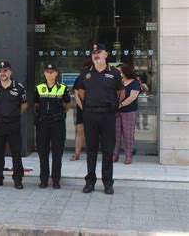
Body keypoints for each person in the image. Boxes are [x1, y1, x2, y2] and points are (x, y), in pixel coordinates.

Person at [77, 43, 124, 195]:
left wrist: (110, 105)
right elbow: (81, 93)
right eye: (93, 53)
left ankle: (108, 183)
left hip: (108, 115)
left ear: (106, 54)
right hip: (90, 115)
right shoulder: (85, 72)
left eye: (99, 52)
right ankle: (90, 182)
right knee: (91, 150)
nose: (96, 55)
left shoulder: (114, 73)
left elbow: (120, 93)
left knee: (107, 150)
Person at [0, 61, 28, 189]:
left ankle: (18, 179)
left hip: (13, 124)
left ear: (10, 72)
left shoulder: (19, 87)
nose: (3, 73)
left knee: (16, 153)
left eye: (5, 70)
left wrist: (14, 114)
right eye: (0, 71)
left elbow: (24, 104)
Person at [34, 64, 71, 189]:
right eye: (47, 71)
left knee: (57, 152)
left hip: (57, 123)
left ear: (56, 73)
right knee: (43, 152)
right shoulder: (39, 88)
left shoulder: (63, 88)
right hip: (43, 123)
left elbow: (67, 105)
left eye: (52, 72)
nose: (50, 74)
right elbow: (36, 105)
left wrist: (59, 114)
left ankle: (56, 180)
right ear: (44, 73)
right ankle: (44, 180)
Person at [113, 64, 141, 165]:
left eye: (119, 71)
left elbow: (132, 97)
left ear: (125, 71)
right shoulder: (118, 82)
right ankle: (114, 155)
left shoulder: (134, 83)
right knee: (115, 135)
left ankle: (128, 156)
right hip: (116, 112)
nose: (118, 73)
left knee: (128, 134)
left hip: (129, 111)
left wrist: (121, 104)